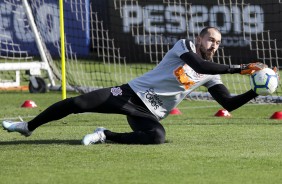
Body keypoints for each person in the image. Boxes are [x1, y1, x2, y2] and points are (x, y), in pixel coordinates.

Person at [2, 26, 268, 145]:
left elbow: (228, 103)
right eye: (210, 39)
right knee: (79, 103)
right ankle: (27, 126)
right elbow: (199, 66)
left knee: (158, 137)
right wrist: (240, 68)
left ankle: (105, 135)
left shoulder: (214, 74)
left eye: (218, 43)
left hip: (148, 114)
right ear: (199, 38)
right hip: (130, 93)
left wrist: (255, 90)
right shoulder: (184, 46)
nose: (214, 45)